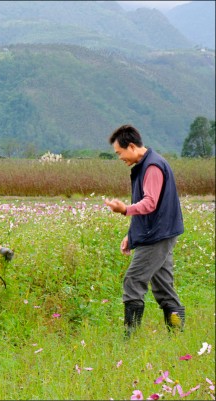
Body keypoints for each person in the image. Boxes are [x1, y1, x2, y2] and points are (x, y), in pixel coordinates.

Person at [104, 124, 185, 338]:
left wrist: (124, 210)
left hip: (156, 236)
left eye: (119, 153)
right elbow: (148, 210)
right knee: (163, 287)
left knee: (133, 281)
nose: (119, 158)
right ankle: (177, 335)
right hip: (159, 232)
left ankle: (129, 338)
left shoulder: (152, 167)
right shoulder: (147, 164)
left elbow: (149, 203)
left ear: (131, 146)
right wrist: (131, 236)